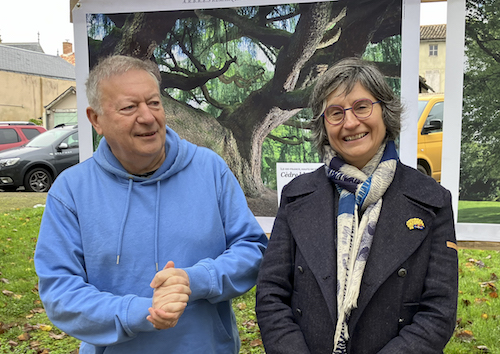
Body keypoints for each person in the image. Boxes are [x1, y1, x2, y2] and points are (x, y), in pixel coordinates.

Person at [34, 55, 268, 354]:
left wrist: (194, 279)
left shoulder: (209, 169)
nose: (147, 117)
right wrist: (140, 312)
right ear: (96, 119)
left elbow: (251, 249)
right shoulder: (71, 191)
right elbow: (60, 293)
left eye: (154, 103)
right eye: (129, 107)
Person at [255, 57, 458, 354]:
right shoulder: (296, 195)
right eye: (335, 113)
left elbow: (438, 312)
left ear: (385, 111)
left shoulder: (432, 200)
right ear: (324, 125)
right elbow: (271, 295)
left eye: (362, 107)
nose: (350, 123)